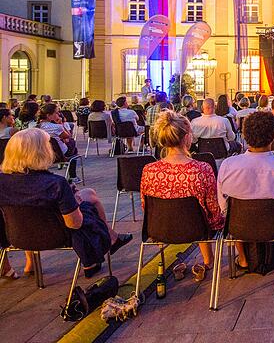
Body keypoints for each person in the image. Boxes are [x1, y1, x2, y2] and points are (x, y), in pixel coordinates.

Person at [0, 129, 131, 278]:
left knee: (87, 195)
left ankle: (31, 262)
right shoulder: (55, 184)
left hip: (17, 235)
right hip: (55, 236)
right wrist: (75, 203)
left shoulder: (3, 181)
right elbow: (74, 224)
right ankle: (94, 257)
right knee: (87, 208)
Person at [217, 112, 274, 271]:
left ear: (244, 135)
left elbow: (223, 207)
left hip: (238, 226)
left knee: (232, 211)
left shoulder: (227, 165)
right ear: (273, 137)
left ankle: (243, 259)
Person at [140, 111, 222, 277]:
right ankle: (208, 261)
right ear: (186, 138)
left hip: (159, 229)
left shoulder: (149, 170)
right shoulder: (202, 169)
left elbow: (146, 206)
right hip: (196, 228)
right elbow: (213, 210)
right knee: (204, 213)